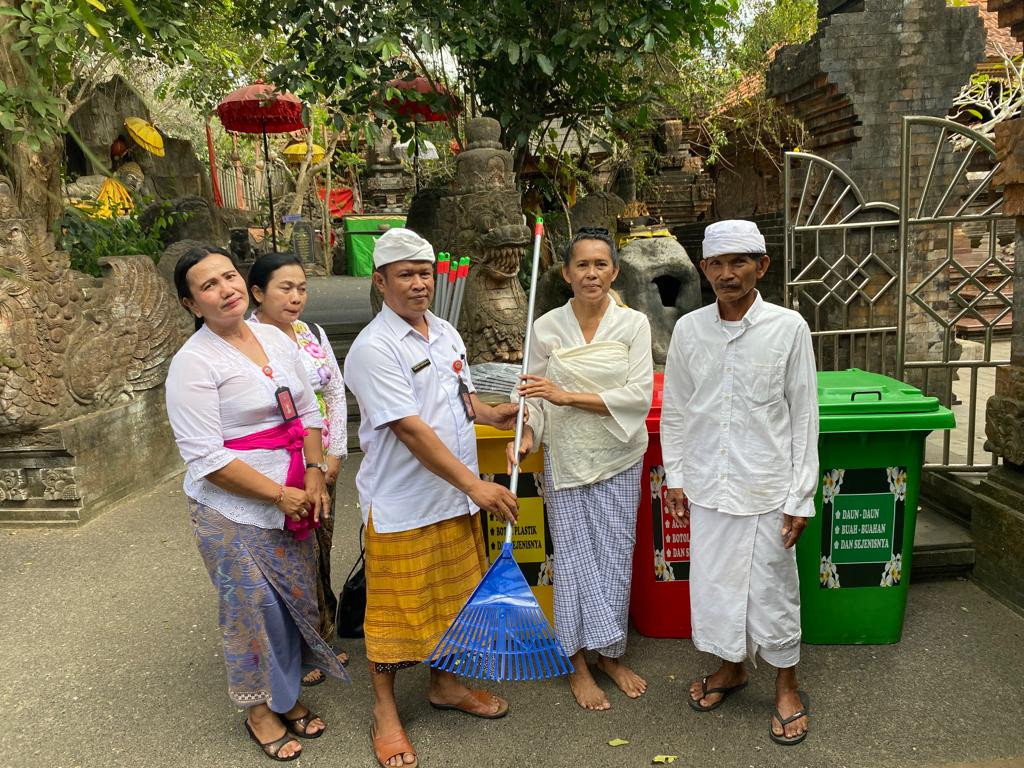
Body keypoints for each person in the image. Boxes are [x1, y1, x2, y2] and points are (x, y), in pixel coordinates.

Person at [344, 228, 522, 768]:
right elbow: (412, 430)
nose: (419, 283)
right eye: (406, 275)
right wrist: (476, 485)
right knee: (396, 613)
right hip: (405, 505)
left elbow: (459, 397)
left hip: (454, 501)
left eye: (425, 273)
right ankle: (385, 712)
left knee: (453, 602)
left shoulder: (445, 331)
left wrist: (495, 413)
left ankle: (445, 686)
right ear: (381, 281)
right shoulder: (373, 349)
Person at [165, 245, 347, 762]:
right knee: (252, 609)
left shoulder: (273, 336)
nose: (226, 289)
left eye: (229, 276)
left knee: (294, 603)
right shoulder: (193, 363)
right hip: (232, 508)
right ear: (191, 304)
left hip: (295, 490)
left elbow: (309, 408)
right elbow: (207, 459)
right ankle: (258, 710)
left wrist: (314, 473)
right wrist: (279, 494)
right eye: (208, 286)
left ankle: (286, 698)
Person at [660, 219, 819, 746]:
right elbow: (678, 410)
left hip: (768, 488)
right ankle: (731, 668)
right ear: (704, 270)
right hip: (708, 485)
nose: (728, 275)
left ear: (762, 266)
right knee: (715, 588)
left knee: (774, 592)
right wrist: (676, 476)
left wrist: (801, 495)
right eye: (717, 265)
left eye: (739, 263)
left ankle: (786, 686)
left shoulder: (789, 327)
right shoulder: (690, 330)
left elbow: (804, 417)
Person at [506, 227, 653, 711]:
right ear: (567, 273)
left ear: (614, 272)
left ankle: (610, 651)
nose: (592, 273)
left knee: (614, 556)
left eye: (601, 265)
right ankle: (576, 662)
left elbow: (638, 396)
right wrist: (527, 435)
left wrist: (566, 395)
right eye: (582, 265)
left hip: (618, 456)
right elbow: (532, 397)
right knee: (572, 560)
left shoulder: (633, 325)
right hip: (567, 458)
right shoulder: (546, 327)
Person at [246, 252, 349, 685]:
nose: (295, 297)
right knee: (286, 557)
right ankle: (297, 645)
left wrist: (335, 456)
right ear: (257, 293)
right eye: (284, 288)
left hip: (320, 464)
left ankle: (322, 633)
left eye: (301, 288)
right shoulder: (246, 340)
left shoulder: (312, 333)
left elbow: (336, 393)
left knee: (320, 551)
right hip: (276, 469)